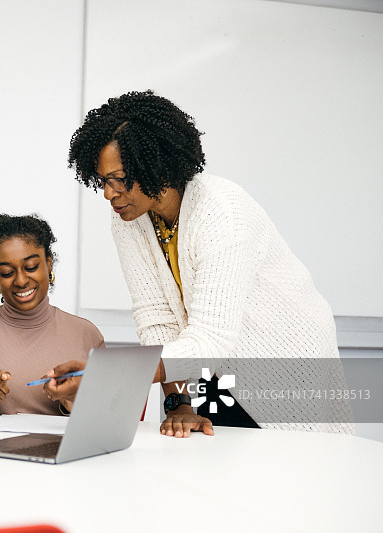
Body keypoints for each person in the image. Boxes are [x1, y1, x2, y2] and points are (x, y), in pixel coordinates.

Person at [64, 90, 352, 438]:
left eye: (119, 179)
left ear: (158, 166)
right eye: (102, 180)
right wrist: (180, 404)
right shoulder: (130, 219)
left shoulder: (221, 211)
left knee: (288, 476)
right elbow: (157, 321)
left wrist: (113, 372)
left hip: (285, 364)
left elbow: (211, 338)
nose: (109, 194)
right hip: (212, 367)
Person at [0, 214, 104, 418]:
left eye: (31, 267)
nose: (20, 281)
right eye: (7, 273)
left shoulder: (86, 334)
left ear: (49, 264)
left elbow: (103, 419)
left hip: (61, 450)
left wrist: (71, 403)